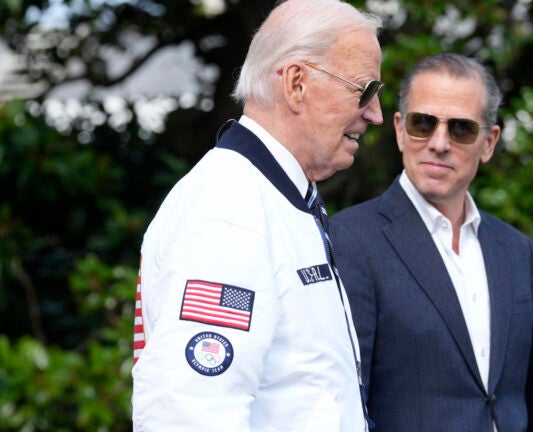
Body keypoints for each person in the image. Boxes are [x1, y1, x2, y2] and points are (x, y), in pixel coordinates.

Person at [130, 0, 384, 430]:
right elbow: (190, 414)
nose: (374, 113)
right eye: (363, 90)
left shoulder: (274, 197)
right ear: (297, 83)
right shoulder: (230, 212)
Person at [330, 53, 533, 431]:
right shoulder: (350, 239)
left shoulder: (515, 250)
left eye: (461, 129)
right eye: (423, 124)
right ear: (399, 130)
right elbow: (342, 400)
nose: (439, 143)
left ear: (489, 142)